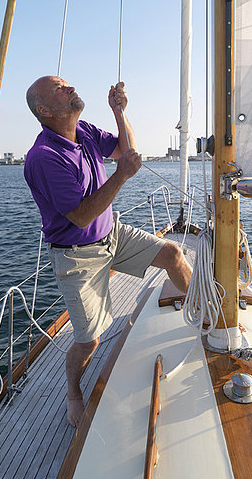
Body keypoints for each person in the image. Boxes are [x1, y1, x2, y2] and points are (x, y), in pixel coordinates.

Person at [24, 76, 192, 427]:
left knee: (173, 255)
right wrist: (120, 178)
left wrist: (119, 112)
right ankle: (72, 391)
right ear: (45, 110)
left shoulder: (82, 129)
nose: (69, 88)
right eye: (59, 88)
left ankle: (204, 317)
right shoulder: (44, 157)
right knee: (89, 340)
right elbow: (82, 216)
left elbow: (121, 148)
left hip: (111, 234)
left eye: (67, 84)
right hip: (77, 256)